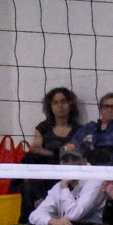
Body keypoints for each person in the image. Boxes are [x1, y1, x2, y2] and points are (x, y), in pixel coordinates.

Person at [20, 87, 83, 215]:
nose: (60, 106)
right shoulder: (43, 127)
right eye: (55, 102)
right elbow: (36, 150)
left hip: (65, 167)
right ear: (50, 106)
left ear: (70, 104)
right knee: (29, 162)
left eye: (63, 101)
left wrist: (49, 152)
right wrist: (54, 153)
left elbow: (75, 153)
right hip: (45, 169)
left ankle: (41, 202)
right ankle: (27, 217)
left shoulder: (78, 129)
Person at [72, 92, 113, 162]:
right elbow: (74, 143)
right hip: (87, 165)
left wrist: (90, 139)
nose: (109, 110)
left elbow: (112, 142)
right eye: (106, 106)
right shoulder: (89, 127)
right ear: (101, 110)